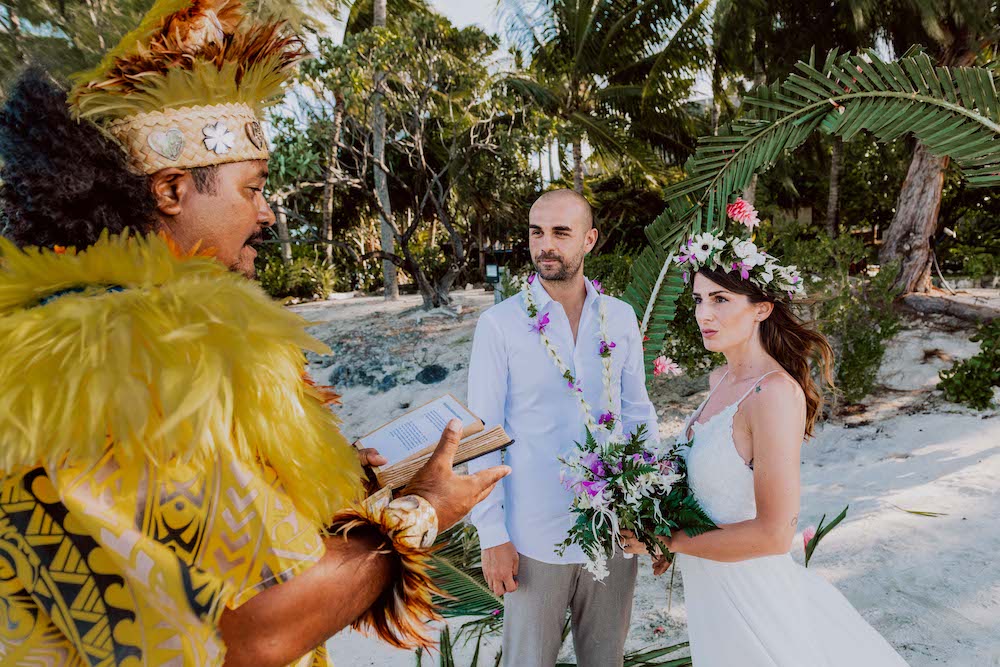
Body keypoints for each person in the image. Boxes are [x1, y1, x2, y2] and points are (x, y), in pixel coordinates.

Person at [0, 2, 508, 665]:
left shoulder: (58, 332)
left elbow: (181, 539)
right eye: (252, 188)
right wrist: (424, 511)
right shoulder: (145, 352)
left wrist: (331, 477)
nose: (266, 213)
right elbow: (258, 627)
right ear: (172, 190)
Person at [621, 232, 909, 666]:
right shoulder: (720, 381)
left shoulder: (773, 394)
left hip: (752, 597)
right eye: (698, 300)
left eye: (720, 299)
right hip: (712, 595)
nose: (704, 314)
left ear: (762, 308)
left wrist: (670, 541)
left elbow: (774, 534)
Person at [467, 189, 658, 666]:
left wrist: (648, 511)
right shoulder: (500, 324)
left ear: (589, 240)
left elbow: (638, 413)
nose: (545, 244)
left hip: (612, 529)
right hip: (533, 536)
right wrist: (492, 534)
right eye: (537, 232)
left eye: (560, 232)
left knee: (606, 660)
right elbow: (482, 437)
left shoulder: (620, 317)